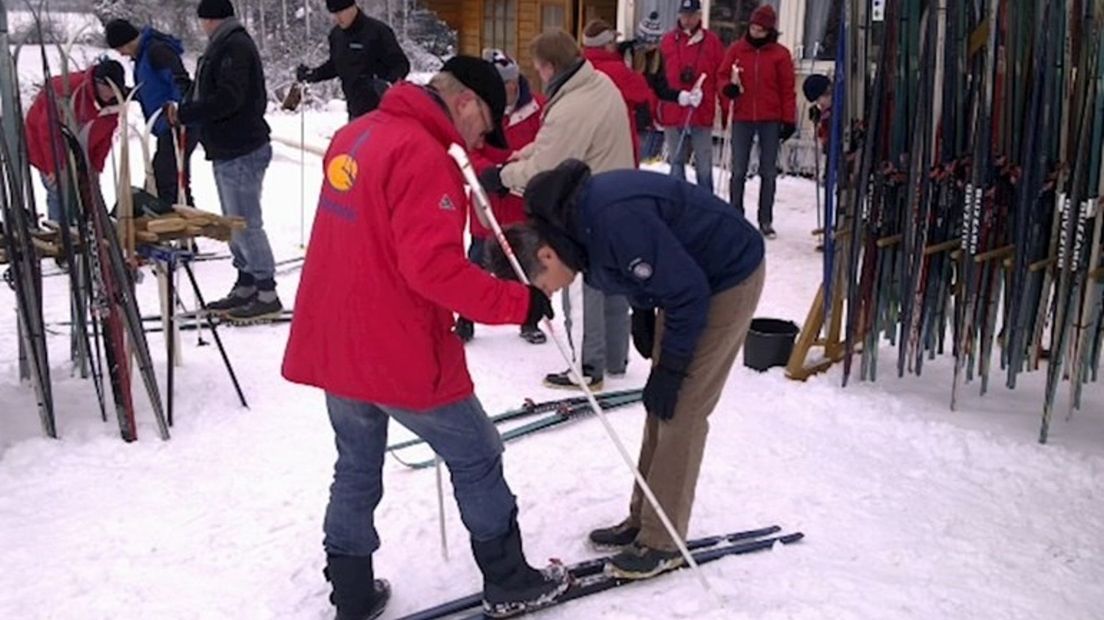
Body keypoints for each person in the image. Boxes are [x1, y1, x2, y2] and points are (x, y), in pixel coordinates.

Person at [281, 56, 567, 620]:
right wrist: (520, 301)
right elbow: (434, 271)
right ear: (464, 102)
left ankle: (353, 594)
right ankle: (509, 579)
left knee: (356, 463)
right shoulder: (424, 157)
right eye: (484, 123)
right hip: (394, 345)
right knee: (478, 452)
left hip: (337, 339)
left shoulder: (357, 134)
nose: (482, 136)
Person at [484, 159, 766, 579]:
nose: (552, 293)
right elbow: (643, 267)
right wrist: (643, 308)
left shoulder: (611, 221)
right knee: (659, 404)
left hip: (724, 278)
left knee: (682, 407)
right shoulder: (573, 233)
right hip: (687, 281)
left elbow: (686, 291)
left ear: (545, 254)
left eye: (543, 285)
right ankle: (643, 518)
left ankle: (663, 540)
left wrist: (670, 368)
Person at [478, 29, 635, 390]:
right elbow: (557, 141)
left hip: (588, 205)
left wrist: (502, 176)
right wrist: (526, 153)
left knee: (580, 286)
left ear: (550, 67)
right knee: (611, 280)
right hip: (618, 196)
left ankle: (587, 367)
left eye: (537, 68)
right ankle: (614, 357)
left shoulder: (572, 105)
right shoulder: (596, 85)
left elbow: (544, 173)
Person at [168, 0, 281, 322]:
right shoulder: (222, 46)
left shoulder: (234, 47)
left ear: (210, 20)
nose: (202, 26)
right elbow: (213, 94)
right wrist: (186, 89)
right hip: (227, 149)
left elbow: (230, 98)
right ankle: (246, 284)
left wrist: (188, 113)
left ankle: (267, 292)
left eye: (203, 20)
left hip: (243, 148)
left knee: (246, 223)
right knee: (234, 223)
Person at [456, 49, 547, 345]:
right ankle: (465, 318)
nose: (507, 89)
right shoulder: (479, 112)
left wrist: (523, 172)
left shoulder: (537, 109)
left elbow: (547, 146)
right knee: (475, 264)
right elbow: (467, 149)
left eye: (510, 82)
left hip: (522, 202)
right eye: (500, 83)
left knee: (528, 264)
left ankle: (529, 319)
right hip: (488, 205)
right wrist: (489, 173)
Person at [719, 4, 797, 239]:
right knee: (739, 168)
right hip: (743, 115)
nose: (755, 33)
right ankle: (735, 214)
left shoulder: (780, 54)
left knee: (768, 171)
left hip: (770, 117)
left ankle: (765, 218)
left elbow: (787, 89)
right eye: (752, 28)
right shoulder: (736, 50)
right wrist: (728, 89)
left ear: (769, 31)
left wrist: (788, 119)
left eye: (760, 30)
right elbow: (722, 76)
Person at [105, 18, 198, 206]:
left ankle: (168, 221)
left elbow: (180, 81)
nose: (121, 54)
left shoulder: (157, 51)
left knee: (162, 181)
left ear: (127, 41)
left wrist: (176, 108)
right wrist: (128, 93)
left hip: (177, 125)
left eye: (119, 49)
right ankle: (184, 218)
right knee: (174, 180)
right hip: (166, 127)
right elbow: (152, 90)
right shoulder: (144, 56)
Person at [25, 59, 124, 224]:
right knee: (59, 189)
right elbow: (48, 131)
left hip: (80, 147)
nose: (110, 94)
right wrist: (54, 167)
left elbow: (105, 137)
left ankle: (87, 229)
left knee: (87, 192)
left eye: (114, 90)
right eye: (107, 89)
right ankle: (60, 232)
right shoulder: (66, 90)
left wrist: (95, 167)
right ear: (97, 83)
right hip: (43, 144)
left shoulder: (114, 102)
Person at [295, 0, 410, 120]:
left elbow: (402, 65)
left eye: (341, 12)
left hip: (382, 111)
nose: (338, 18)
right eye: (334, 14)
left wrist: (386, 83)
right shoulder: (336, 35)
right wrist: (313, 74)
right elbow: (336, 65)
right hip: (355, 111)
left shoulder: (378, 31)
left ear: (353, 7)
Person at [657, 0, 724, 193]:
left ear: (699, 16)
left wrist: (725, 107)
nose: (687, 20)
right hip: (673, 108)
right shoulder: (668, 41)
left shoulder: (712, 42)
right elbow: (657, 76)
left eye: (691, 15)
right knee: (676, 163)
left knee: (704, 165)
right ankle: (678, 206)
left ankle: (706, 206)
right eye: (684, 15)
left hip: (701, 110)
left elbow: (721, 75)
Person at [581, 19, 653, 165]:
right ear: (606, 44)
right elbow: (643, 93)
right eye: (613, 41)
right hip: (618, 139)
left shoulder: (577, 66)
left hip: (585, 139)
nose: (616, 44)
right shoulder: (617, 70)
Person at [623, 11, 680, 162]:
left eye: (655, 43)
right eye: (650, 43)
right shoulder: (625, 53)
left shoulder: (657, 57)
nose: (653, 47)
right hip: (623, 116)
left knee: (643, 162)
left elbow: (662, 88)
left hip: (644, 119)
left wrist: (681, 96)